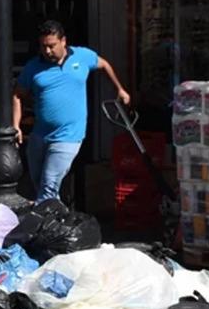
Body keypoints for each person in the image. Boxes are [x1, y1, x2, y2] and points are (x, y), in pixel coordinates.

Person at [12, 20, 130, 203]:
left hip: (69, 135)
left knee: (49, 184)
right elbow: (18, 95)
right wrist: (16, 125)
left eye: (52, 46)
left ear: (63, 41)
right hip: (40, 135)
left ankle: (46, 227)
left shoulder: (81, 56)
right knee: (38, 183)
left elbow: (104, 64)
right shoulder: (33, 67)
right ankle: (59, 221)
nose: (48, 51)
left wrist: (119, 89)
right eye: (44, 47)